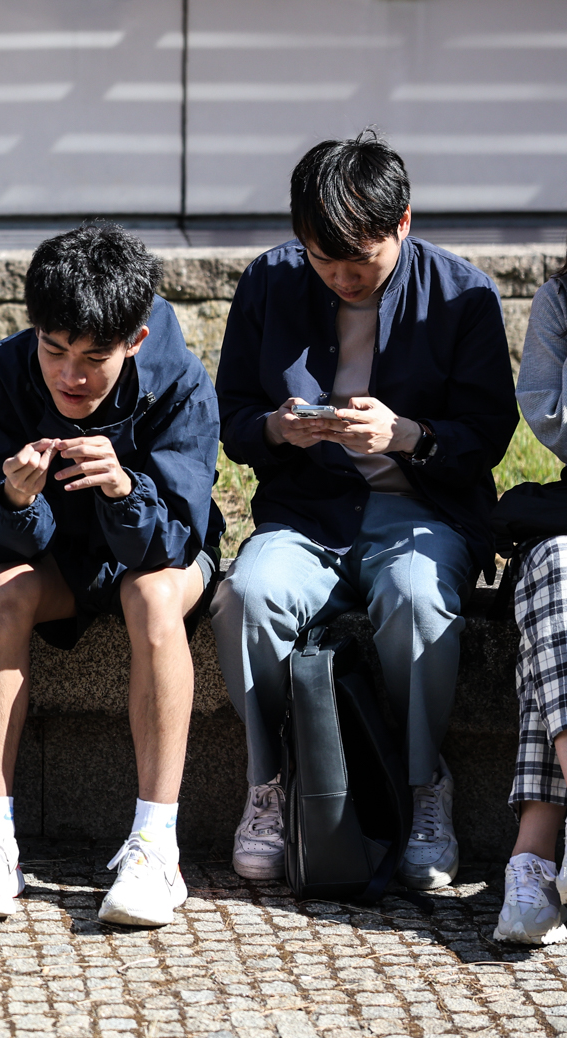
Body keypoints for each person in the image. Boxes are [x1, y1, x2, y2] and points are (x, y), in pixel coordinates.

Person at [209, 130, 515, 889]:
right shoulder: (272, 282)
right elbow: (234, 417)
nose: (342, 277)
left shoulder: (461, 293)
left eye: (362, 261)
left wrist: (407, 436)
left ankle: (424, 789)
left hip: (422, 512)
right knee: (248, 596)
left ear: (403, 223)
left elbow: (489, 435)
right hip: (307, 512)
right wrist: (279, 427)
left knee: (416, 598)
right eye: (323, 259)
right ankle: (268, 786)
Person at [0, 224, 222, 927]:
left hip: (159, 552)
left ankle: (157, 846)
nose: (71, 375)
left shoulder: (182, 382)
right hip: (57, 560)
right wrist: (15, 500)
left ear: (133, 339)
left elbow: (174, 540)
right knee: (4, 594)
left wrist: (126, 493)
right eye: (54, 349)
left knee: (153, 593)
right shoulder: (3, 375)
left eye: (95, 356)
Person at [495, 250, 567, 944]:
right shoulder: (561, 295)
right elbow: (550, 416)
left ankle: (534, 852)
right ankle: (536, 857)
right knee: (555, 571)